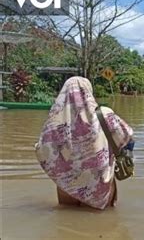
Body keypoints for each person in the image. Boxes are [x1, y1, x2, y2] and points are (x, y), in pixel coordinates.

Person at [35, 76, 134, 210]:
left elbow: (41, 149)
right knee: (104, 225)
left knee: (66, 223)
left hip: (67, 186)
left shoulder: (54, 122)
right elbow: (128, 140)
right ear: (88, 92)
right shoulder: (105, 114)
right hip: (99, 184)